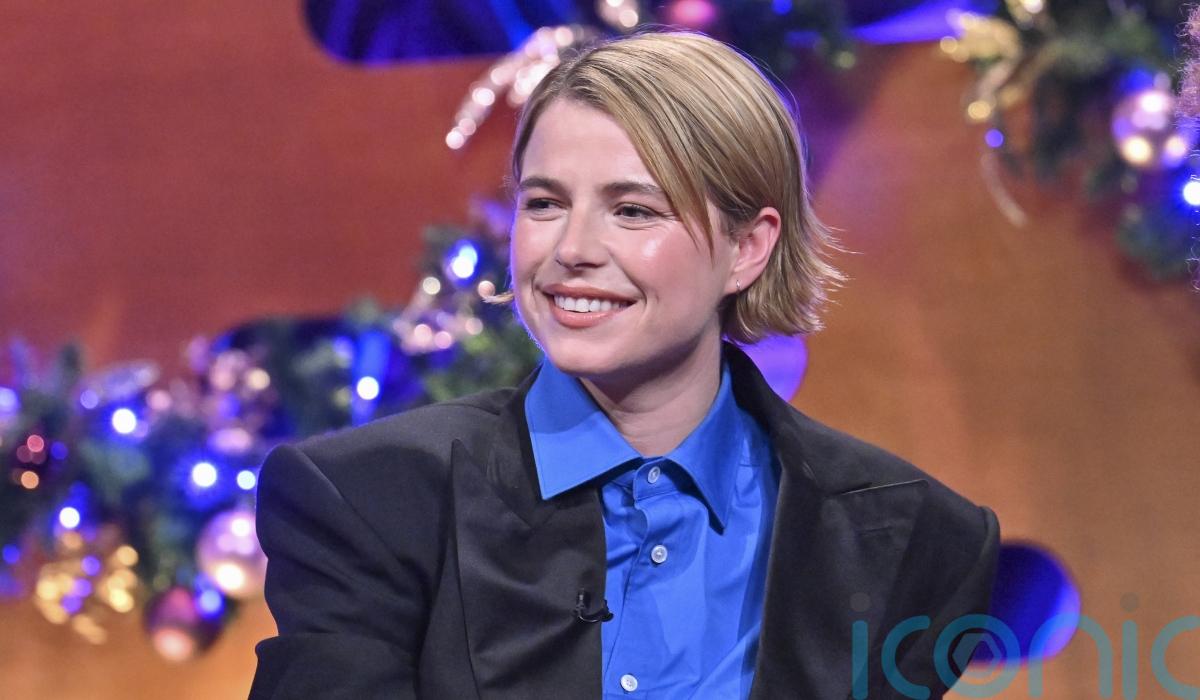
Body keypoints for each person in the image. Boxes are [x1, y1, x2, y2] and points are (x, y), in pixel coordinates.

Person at [249, 29, 999, 699]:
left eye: (633, 210)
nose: (571, 249)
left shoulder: (911, 538)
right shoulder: (373, 502)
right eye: (544, 203)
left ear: (747, 247)